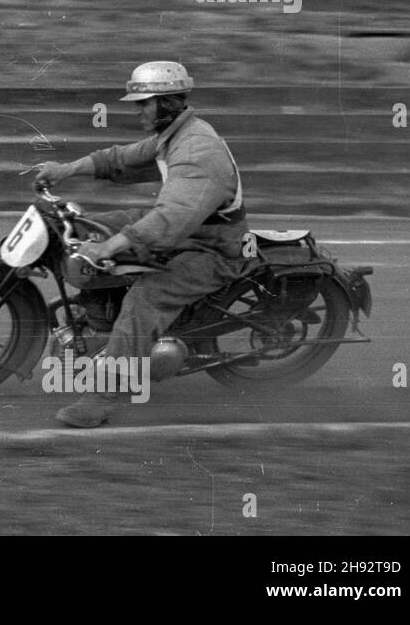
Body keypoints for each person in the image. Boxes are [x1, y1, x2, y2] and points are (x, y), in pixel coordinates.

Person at [32, 61, 249, 428]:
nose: (138, 110)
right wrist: (66, 169)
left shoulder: (197, 148)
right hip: (183, 231)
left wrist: (110, 247)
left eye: (143, 103)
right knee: (91, 226)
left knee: (144, 298)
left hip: (209, 247)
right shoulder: (174, 136)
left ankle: (105, 395)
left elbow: (170, 221)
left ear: (166, 103)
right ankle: (99, 313)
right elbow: (120, 160)